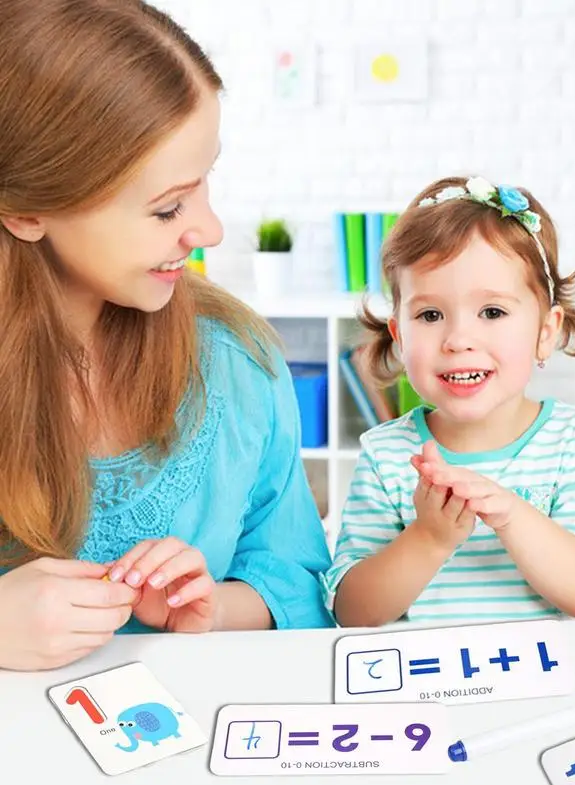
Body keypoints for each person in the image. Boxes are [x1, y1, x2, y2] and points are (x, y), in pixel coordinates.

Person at [0, 0, 333, 672]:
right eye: (166, 208)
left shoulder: (237, 362)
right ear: (27, 211)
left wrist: (214, 609)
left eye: (206, 180)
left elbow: (300, 582)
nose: (209, 230)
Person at [324, 175, 575, 627]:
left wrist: (510, 513)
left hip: (540, 682)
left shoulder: (574, 441)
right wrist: (429, 537)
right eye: (430, 315)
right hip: (423, 686)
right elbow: (353, 612)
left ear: (545, 333)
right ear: (400, 337)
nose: (459, 339)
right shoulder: (388, 454)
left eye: (492, 312)